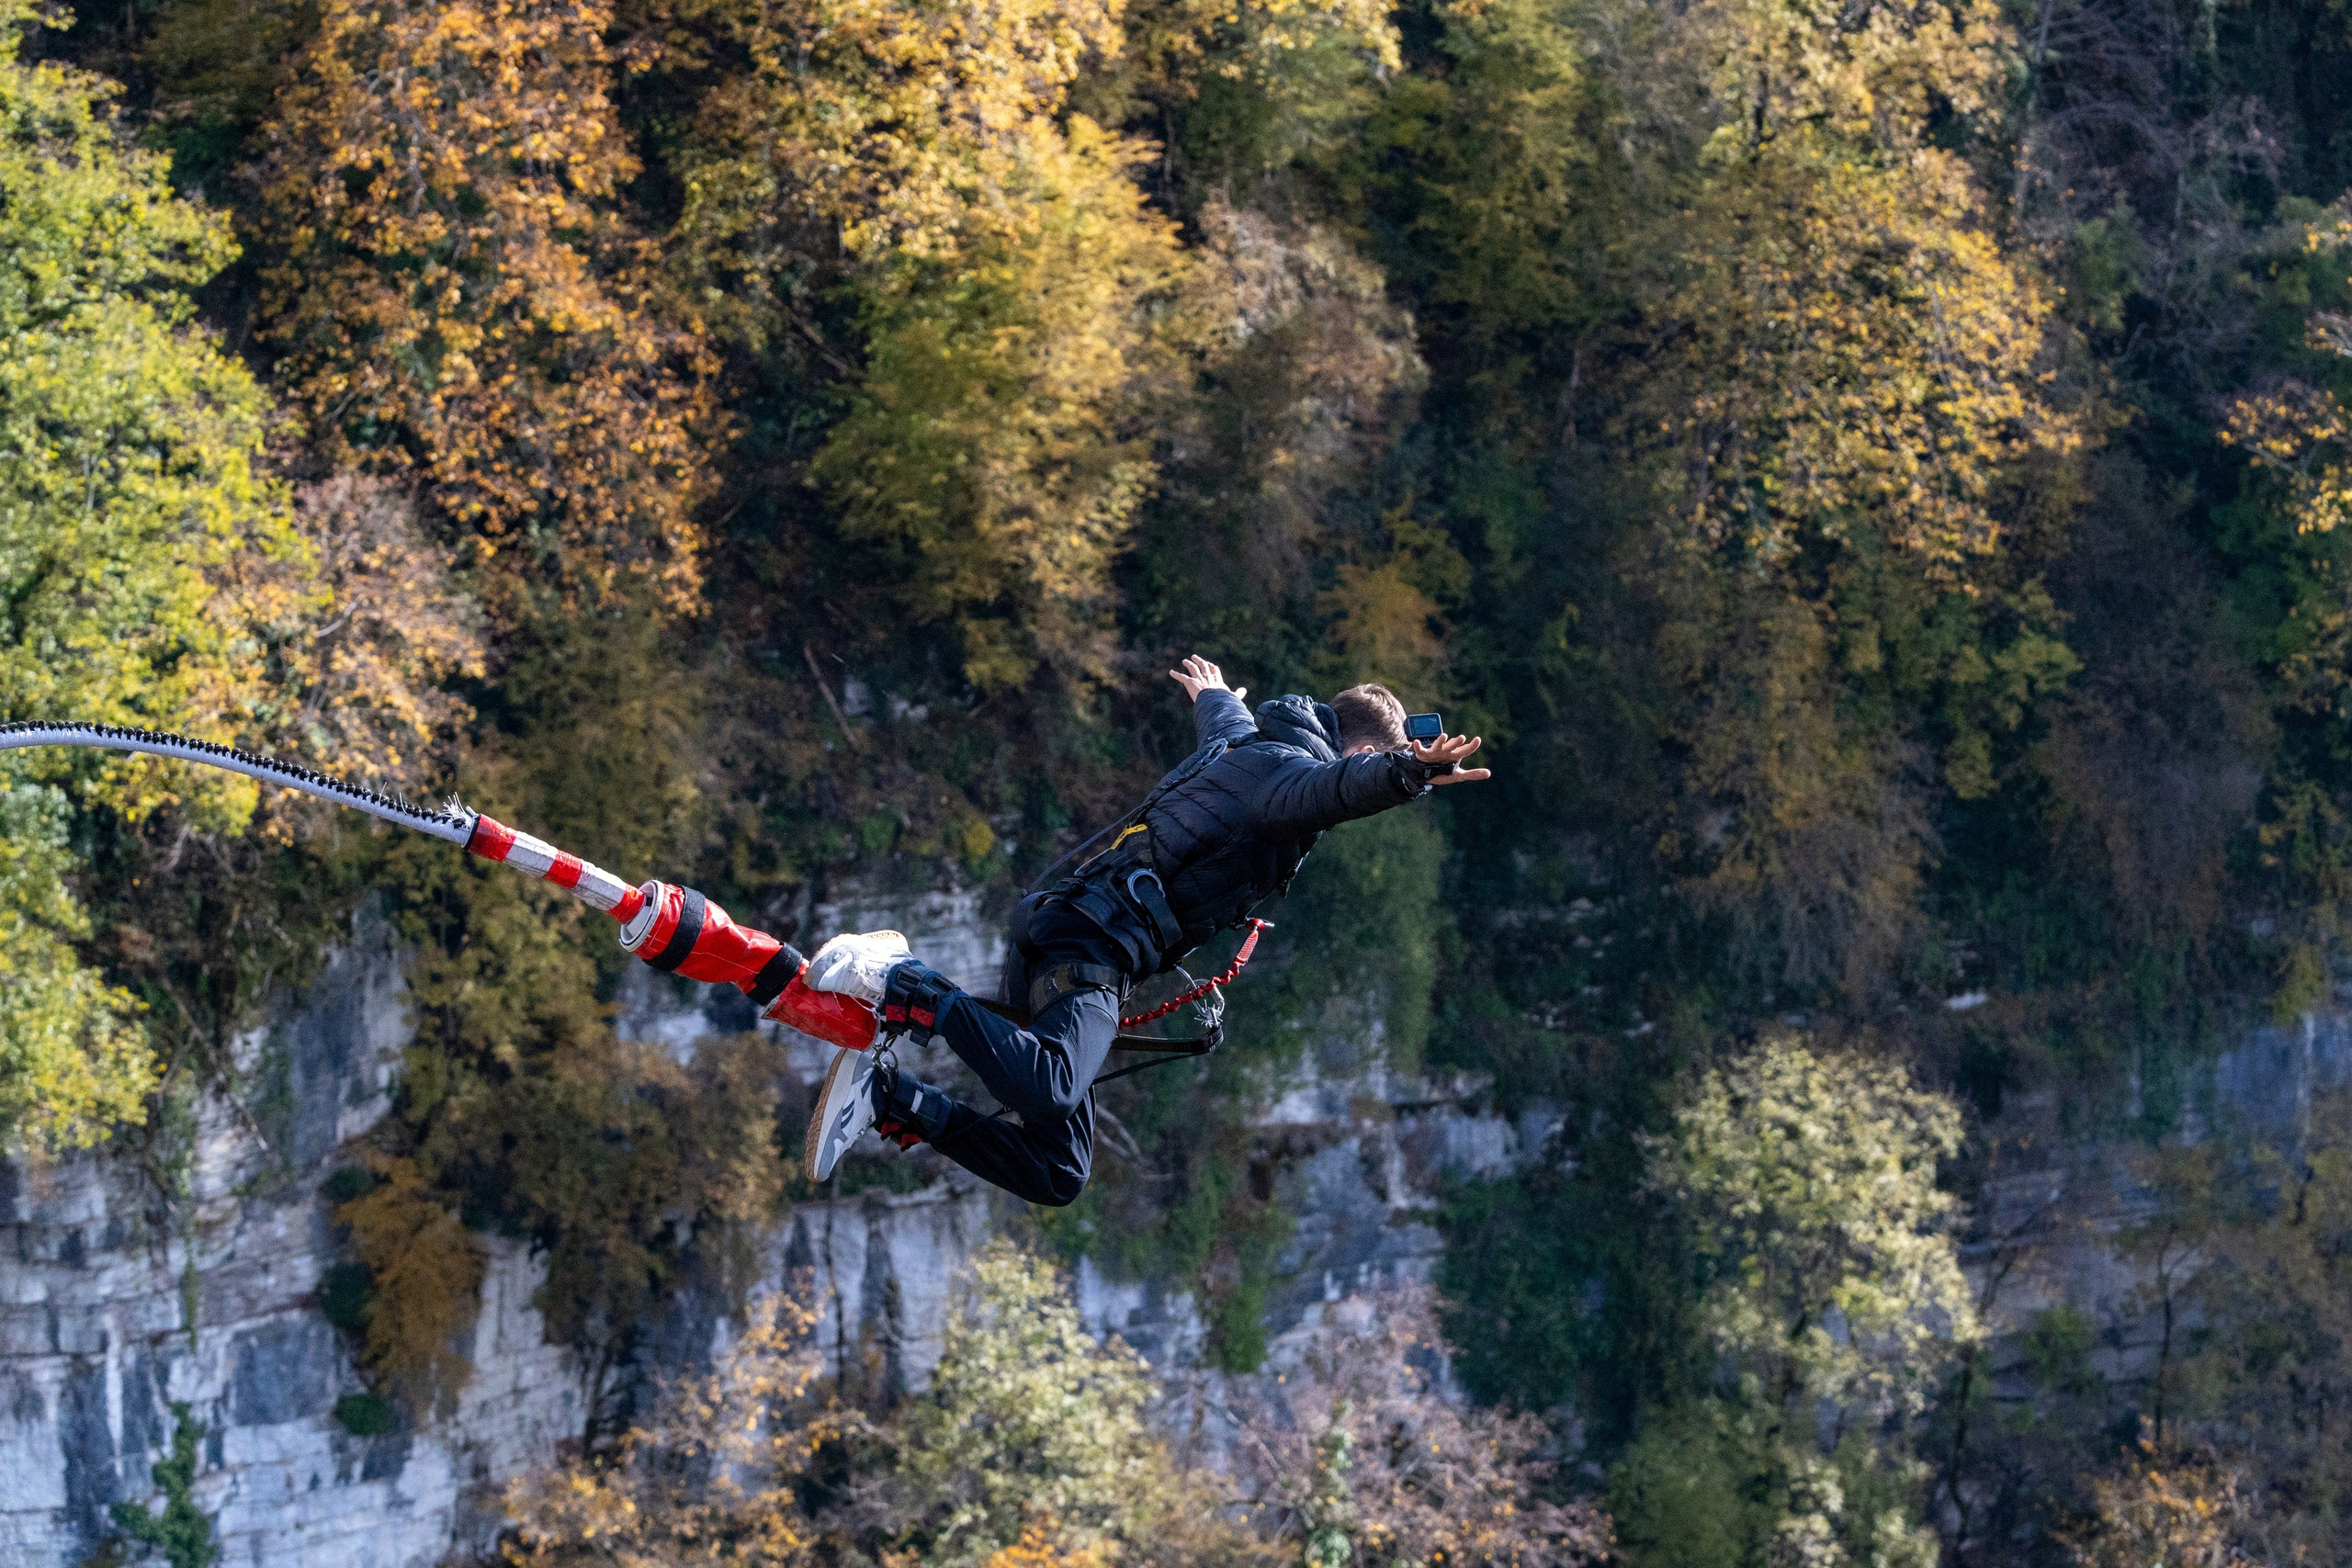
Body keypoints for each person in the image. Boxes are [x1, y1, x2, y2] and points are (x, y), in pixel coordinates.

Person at [797, 655, 1492, 1204]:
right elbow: (1336, 791)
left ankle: (892, 1098)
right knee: (1048, 1085)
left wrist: (1215, 693)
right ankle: (906, 980)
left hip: (1077, 934)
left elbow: (1225, 722)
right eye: (1370, 760)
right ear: (1358, 750)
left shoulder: (1247, 743)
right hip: (1086, 945)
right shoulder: (1291, 776)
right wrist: (1406, 774)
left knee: (1058, 1171)